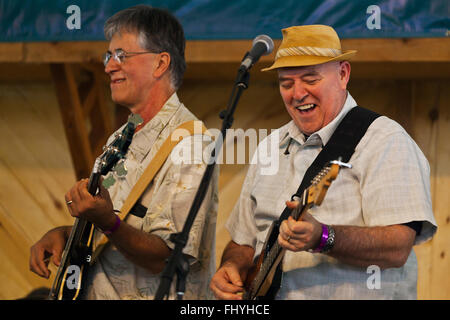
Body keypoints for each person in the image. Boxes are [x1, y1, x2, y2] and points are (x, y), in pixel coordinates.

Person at [210, 25, 437, 300]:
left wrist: (324, 237)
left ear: (343, 74)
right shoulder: (269, 146)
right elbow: (243, 241)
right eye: (286, 83)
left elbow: (398, 247)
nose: (297, 93)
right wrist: (231, 266)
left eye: (310, 79)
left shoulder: (385, 141)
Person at [29, 5, 218, 300]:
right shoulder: (121, 136)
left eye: (121, 55)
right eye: (109, 56)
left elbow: (167, 256)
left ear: (160, 63)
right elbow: (116, 230)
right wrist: (67, 235)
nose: (108, 67)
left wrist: (107, 221)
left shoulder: (191, 144)